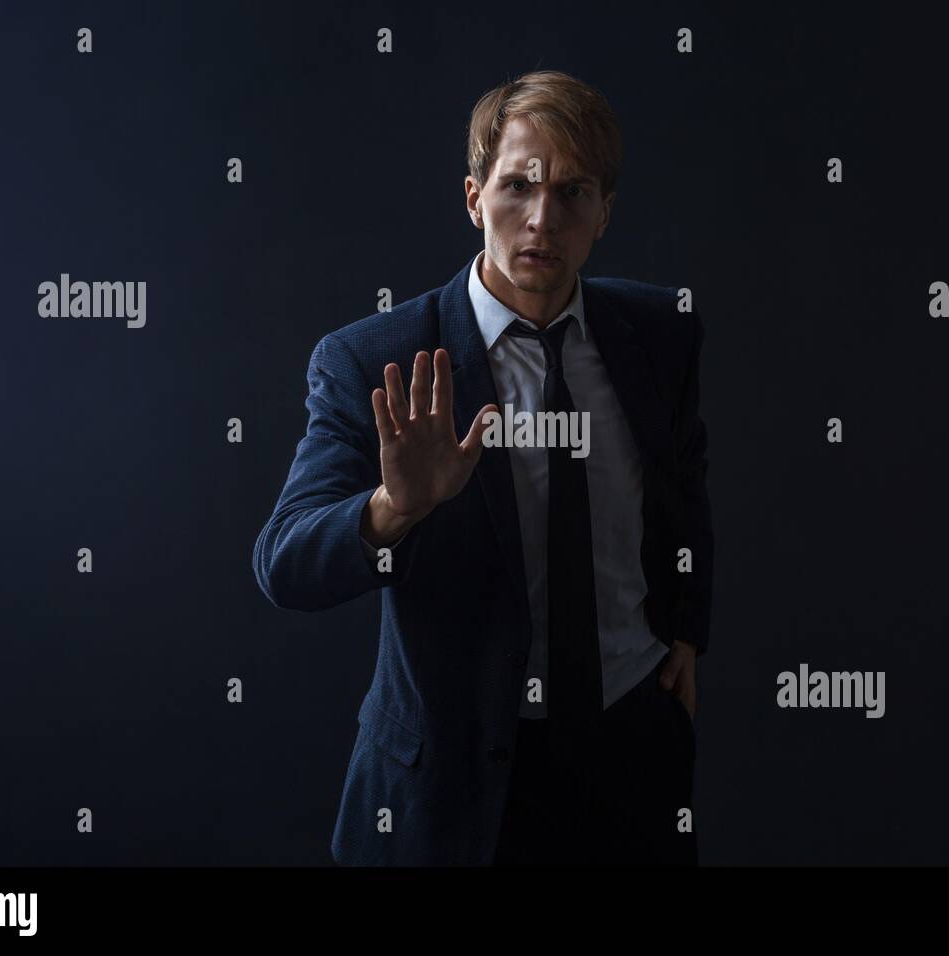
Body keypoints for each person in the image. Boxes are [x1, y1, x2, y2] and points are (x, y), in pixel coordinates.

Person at [252, 70, 713, 865]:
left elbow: (683, 491)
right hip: (455, 788)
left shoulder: (660, 334)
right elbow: (285, 563)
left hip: (630, 759)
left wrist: (684, 632)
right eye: (518, 186)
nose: (542, 218)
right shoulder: (371, 358)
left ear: (604, 214)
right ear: (474, 197)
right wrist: (394, 509)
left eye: (573, 193)